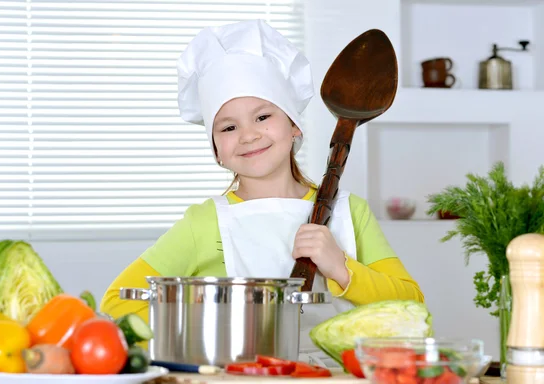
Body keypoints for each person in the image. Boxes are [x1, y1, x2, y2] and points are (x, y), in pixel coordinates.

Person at [100, 19, 424, 362]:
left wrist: (341, 267)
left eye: (263, 116)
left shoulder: (349, 212)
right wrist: (213, 330)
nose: (248, 135)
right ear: (216, 150)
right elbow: (117, 303)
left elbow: (412, 308)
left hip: (343, 383)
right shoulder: (204, 223)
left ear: (294, 125)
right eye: (228, 126)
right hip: (243, 382)